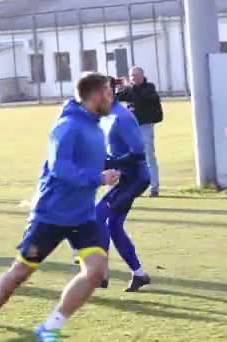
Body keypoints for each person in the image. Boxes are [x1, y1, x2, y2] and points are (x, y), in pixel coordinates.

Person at [0, 72, 120, 342]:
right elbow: (60, 169)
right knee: (20, 273)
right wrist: (98, 178)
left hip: (82, 216)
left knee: (96, 271)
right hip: (51, 214)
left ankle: (50, 327)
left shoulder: (95, 125)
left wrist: (112, 167)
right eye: (109, 92)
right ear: (96, 95)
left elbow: (88, 161)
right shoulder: (67, 126)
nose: (113, 98)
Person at [72, 77, 152, 292]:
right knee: (113, 226)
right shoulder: (106, 116)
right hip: (122, 179)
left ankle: (101, 273)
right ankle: (139, 274)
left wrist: (109, 163)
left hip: (134, 178)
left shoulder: (122, 117)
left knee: (98, 217)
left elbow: (138, 154)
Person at [115, 66, 163, 197]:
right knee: (129, 155)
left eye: (135, 75)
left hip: (145, 125)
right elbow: (116, 98)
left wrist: (128, 86)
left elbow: (142, 97)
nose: (133, 78)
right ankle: (132, 185)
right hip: (131, 127)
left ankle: (154, 187)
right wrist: (115, 86)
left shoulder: (149, 88)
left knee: (148, 155)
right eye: (131, 76)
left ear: (142, 76)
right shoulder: (130, 89)